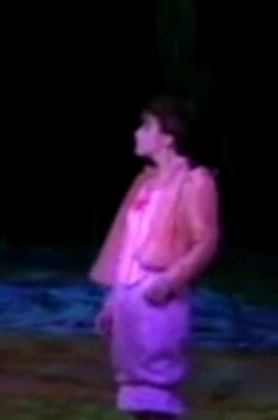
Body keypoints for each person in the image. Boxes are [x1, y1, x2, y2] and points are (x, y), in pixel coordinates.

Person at [89, 95, 220, 420]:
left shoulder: (194, 181)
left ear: (168, 137)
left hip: (157, 292)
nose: (137, 133)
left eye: (146, 127)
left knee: (156, 376)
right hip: (130, 291)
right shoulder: (146, 184)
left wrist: (171, 280)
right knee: (132, 378)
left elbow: (206, 240)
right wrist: (113, 299)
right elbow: (127, 245)